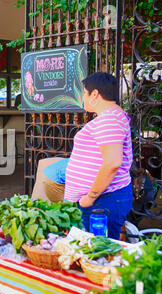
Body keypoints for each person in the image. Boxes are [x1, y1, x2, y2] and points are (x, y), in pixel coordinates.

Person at [64, 72, 133, 240]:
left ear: (94, 94)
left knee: (98, 252)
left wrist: (90, 197)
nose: (83, 98)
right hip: (104, 199)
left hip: (103, 200)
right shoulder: (112, 117)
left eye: (84, 93)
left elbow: (112, 163)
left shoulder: (109, 120)